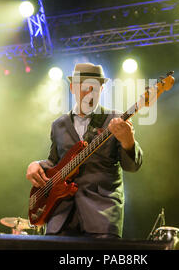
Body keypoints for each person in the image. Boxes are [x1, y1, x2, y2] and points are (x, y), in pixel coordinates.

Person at [26, 62, 143, 239]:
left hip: (102, 215)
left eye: (94, 88)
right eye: (84, 87)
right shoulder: (59, 125)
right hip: (60, 216)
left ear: (102, 89)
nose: (89, 93)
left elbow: (132, 166)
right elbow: (55, 162)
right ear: (72, 87)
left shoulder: (115, 120)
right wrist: (36, 165)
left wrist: (128, 142)